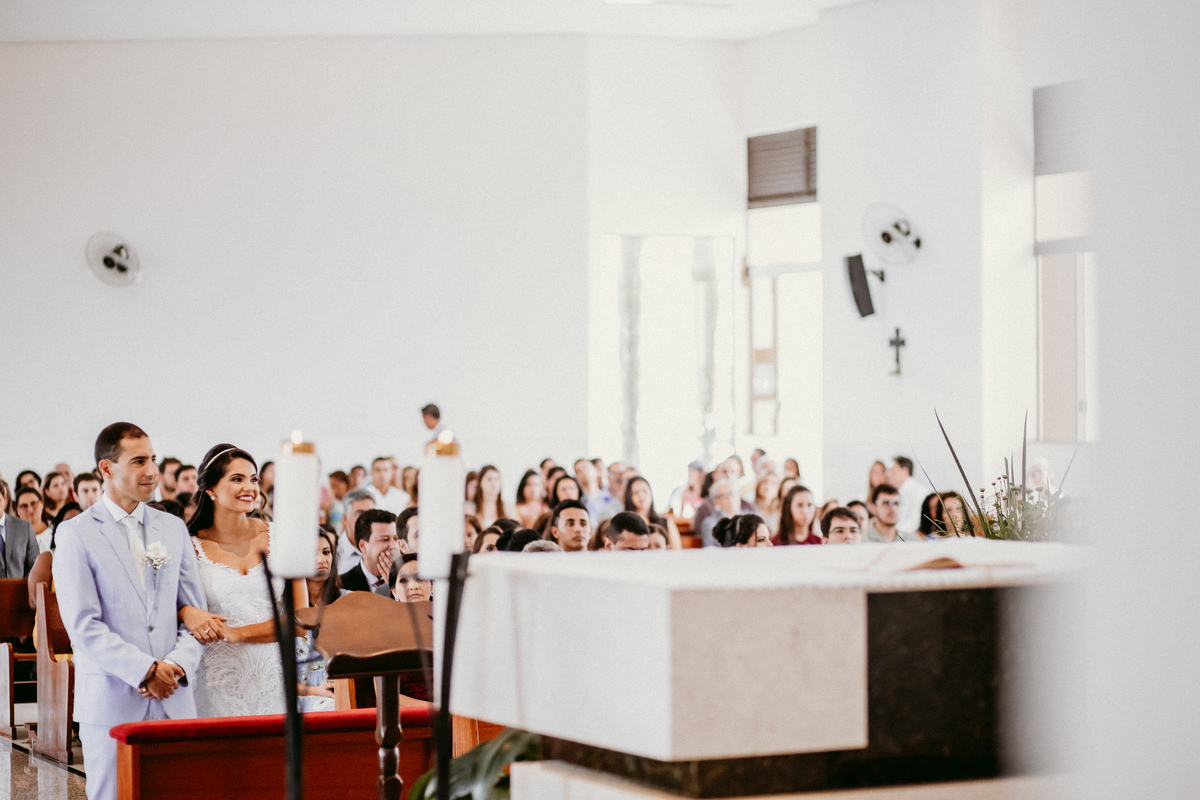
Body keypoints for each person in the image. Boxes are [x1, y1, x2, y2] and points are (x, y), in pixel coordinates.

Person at [52, 423, 206, 800]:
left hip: (174, 697)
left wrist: (176, 666)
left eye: (153, 459)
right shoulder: (76, 534)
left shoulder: (172, 528)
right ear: (106, 469)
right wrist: (146, 671)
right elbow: (83, 626)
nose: (152, 470)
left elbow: (193, 611)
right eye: (138, 461)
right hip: (112, 701)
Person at [180, 443, 299, 719]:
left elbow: (301, 621)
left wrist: (237, 633)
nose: (250, 487)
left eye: (253, 479)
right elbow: (165, 607)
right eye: (237, 479)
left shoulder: (281, 537)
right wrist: (185, 612)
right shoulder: (189, 546)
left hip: (272, 679)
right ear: (211, 489)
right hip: (214, 682)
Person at [298, 528, 340, 712]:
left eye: (326, 552)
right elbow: (275, 677)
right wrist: (316, 691)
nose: (321, 560)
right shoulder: (284, 610)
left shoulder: (349, 600)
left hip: (344, 686)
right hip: (303, 693)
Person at [693, 458, 756, 541]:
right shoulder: (704, 508)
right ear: (714, 475)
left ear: (739, 475)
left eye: (733, 472)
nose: (728, 476)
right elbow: (702, 538)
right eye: (724, 471)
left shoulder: (748, 506)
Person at [339, 509, 399, 595]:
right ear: (362, 546)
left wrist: (396, 586)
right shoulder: (342, 584)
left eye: (396, 539)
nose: (393, 546)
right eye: (384, 540)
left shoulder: (409, 579)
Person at [625, 476, 681, 549]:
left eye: (644, 491)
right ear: (629, 496)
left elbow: (677, 551)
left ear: (650, 493)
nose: (641, 496)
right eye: (636, 493)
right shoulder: (624, 525)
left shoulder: (666, 522)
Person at [1, 480, 40, 577]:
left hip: (22, 585)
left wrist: (24, 585)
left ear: (5, 498)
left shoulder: (24, 527)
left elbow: (35, 565)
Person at [889, 456, 931, 536]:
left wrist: (890, 532)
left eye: (893, 470)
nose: (889, 474)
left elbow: (914, 524)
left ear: (905, 471)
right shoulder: (899, 492)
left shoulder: (919, 492)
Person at [698, 479, 741, 547]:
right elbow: (709, 549)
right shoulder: (710, 523)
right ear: (716, 501)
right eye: (726, 495)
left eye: (733, 493)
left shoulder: (752, 518)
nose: (730, 498)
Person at [577, 459, 620, 525]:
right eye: (578, 471)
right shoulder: (580, 501)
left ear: (595, 470)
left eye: (585, 468)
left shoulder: (609, 494)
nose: (583, 472)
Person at [15, 487, 53, 553]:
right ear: (17, 510)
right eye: (24, 506)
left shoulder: (56, 530)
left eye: (33, 503)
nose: (30, 510)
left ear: (42, 504)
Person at [753, 470, 783, 535]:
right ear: (759, 485)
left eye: (773, 483)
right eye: (765, 481)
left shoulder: (781, 513)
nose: (768, 486)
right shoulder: (749, 509)